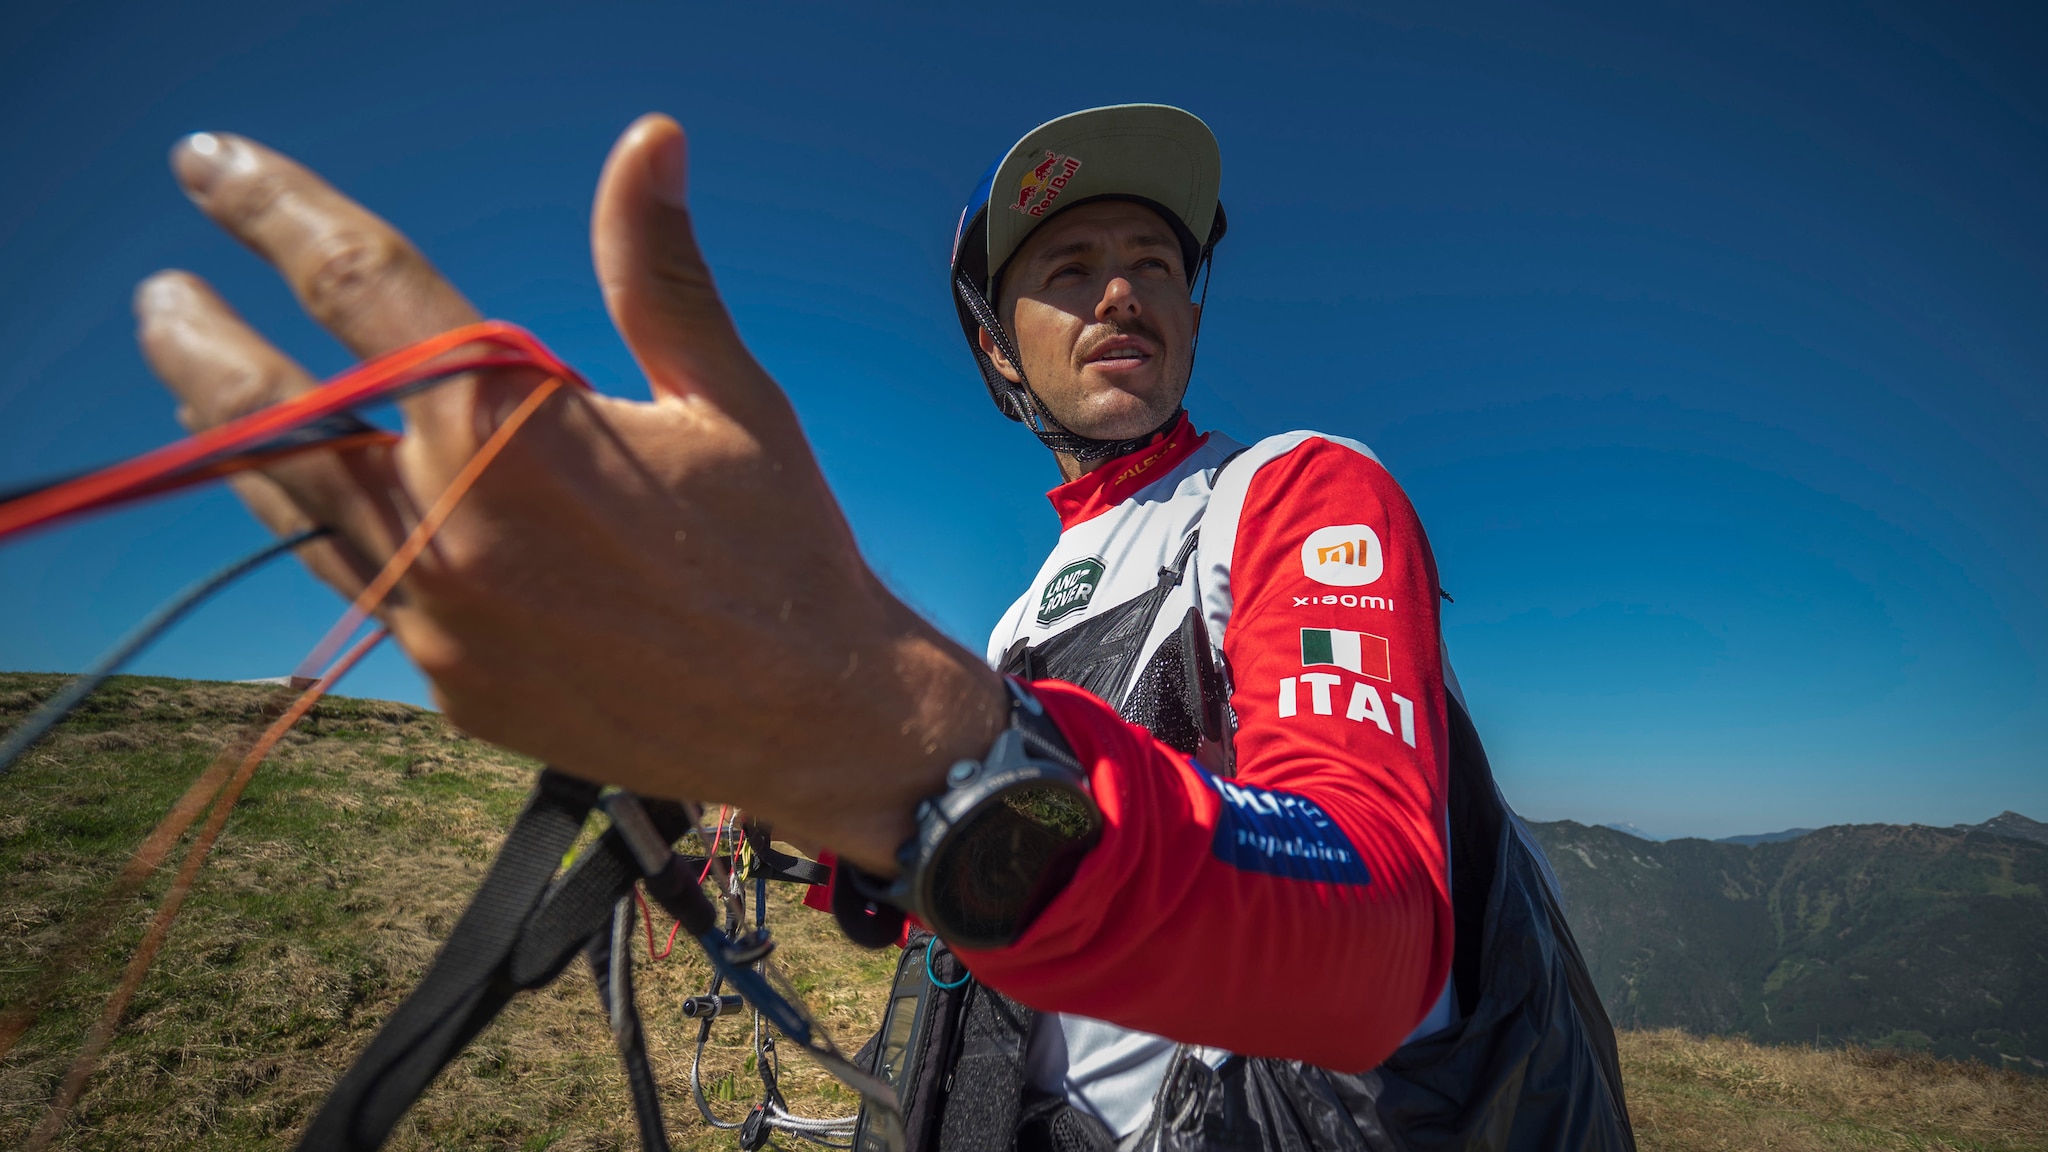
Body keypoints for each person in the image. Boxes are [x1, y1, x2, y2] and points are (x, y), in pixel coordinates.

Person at [138, 105, 1632, 1151]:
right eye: (1067, 268)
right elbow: (985, 899)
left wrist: (895, 742)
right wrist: (830, 830)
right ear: (998, 347)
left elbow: (1374, 922)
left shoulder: (1300, 491)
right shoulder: (1016, 615)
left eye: (1156, 265)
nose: (1122, 290)